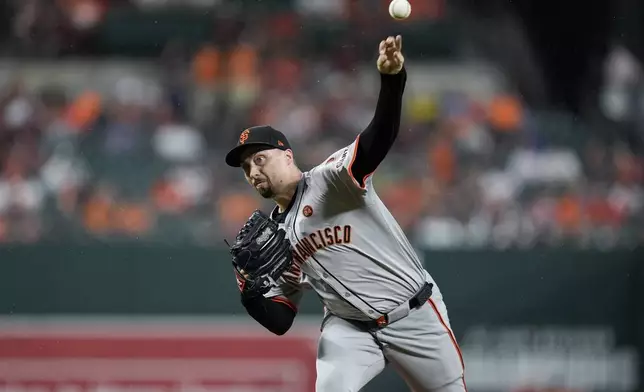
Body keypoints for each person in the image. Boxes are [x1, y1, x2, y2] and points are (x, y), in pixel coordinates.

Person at [225, 35, 466, 392]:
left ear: (287, 155)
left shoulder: (331, 179)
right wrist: (250, 293)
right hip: (349, 329)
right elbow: (279, 320)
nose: (253, 171)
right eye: (246, 168)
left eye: (259, 159)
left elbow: (378, 137)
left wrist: (392, 79)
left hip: (413, 313)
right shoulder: (273, 239)